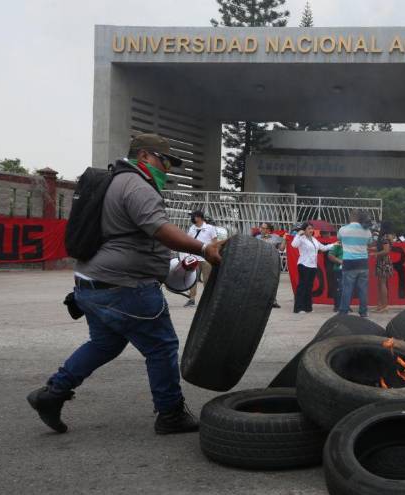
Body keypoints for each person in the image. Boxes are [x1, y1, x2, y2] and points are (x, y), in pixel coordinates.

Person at [27, 133, 222, 435]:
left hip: (91, 284)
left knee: (105, 343)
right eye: (164, 160)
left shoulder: (113, 181)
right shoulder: (135, 185)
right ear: (144, 156)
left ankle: (51, 394)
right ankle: (170, 414)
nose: (167, 168)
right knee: (162, 345)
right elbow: (160, 229)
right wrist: (203, 249)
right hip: (124, 287)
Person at [291, 224, 336, 314]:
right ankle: (298, 308)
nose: (311, 230)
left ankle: (308, 307)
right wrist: (298, 234)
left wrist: (334, 244)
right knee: (302, 287)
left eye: (312, 229)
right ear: (304, 230)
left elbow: (323, 248)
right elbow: (294, 245)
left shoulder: (314, 239)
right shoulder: (301, 238)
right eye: (309, 229)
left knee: (309, 287)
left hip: (313, 266)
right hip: (304, 265)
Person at [337, 209, 373, 317]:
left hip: (349, 262)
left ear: (351, 217)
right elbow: (369, 243)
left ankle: (344, 311)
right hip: (363, 262)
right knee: (363, 289)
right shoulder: (367, 231)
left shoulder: (343, 229)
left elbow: (339, 239)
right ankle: (363, 312)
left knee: (347, 288)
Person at [183, 210, 217, 308]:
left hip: (206, 258)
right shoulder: (192, 228)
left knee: (207, 280)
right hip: (194, 258)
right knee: (192, 279)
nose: (192, 218)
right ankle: (191, 299)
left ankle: (207, 300)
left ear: (198, 217)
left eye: (193, 216)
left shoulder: (210, 228)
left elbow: (215, 242)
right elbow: (188, 241)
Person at [256, 222, 283, 308]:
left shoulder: (276, 237)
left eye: (263, 228)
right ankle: (259, 301)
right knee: (260, 282)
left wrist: (285, 239)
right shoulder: (257, 237)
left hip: (272, 263)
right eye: (261, 228)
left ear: (268, 230)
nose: (261, 230)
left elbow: (281, 248)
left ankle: (273, 301)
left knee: (273, 282)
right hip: (261, 262)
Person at [374, 223, 394, 313]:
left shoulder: (385, 237)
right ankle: (381, 305)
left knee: (382, 284)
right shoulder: (388, 237)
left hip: (383, 261)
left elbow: (386, 250)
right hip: (384, 261)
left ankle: (384, 305)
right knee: (381, 283)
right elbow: (383, 248)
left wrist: (375, 254)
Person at [327, 239, 344, 310]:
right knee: (339, 288)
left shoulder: (351, 244)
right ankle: (337, 306)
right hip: (338, 269)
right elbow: (330, 255)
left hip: (349, 269)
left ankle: (345, 306)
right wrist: (339, 261)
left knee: (347, 288)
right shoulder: (338, 244)